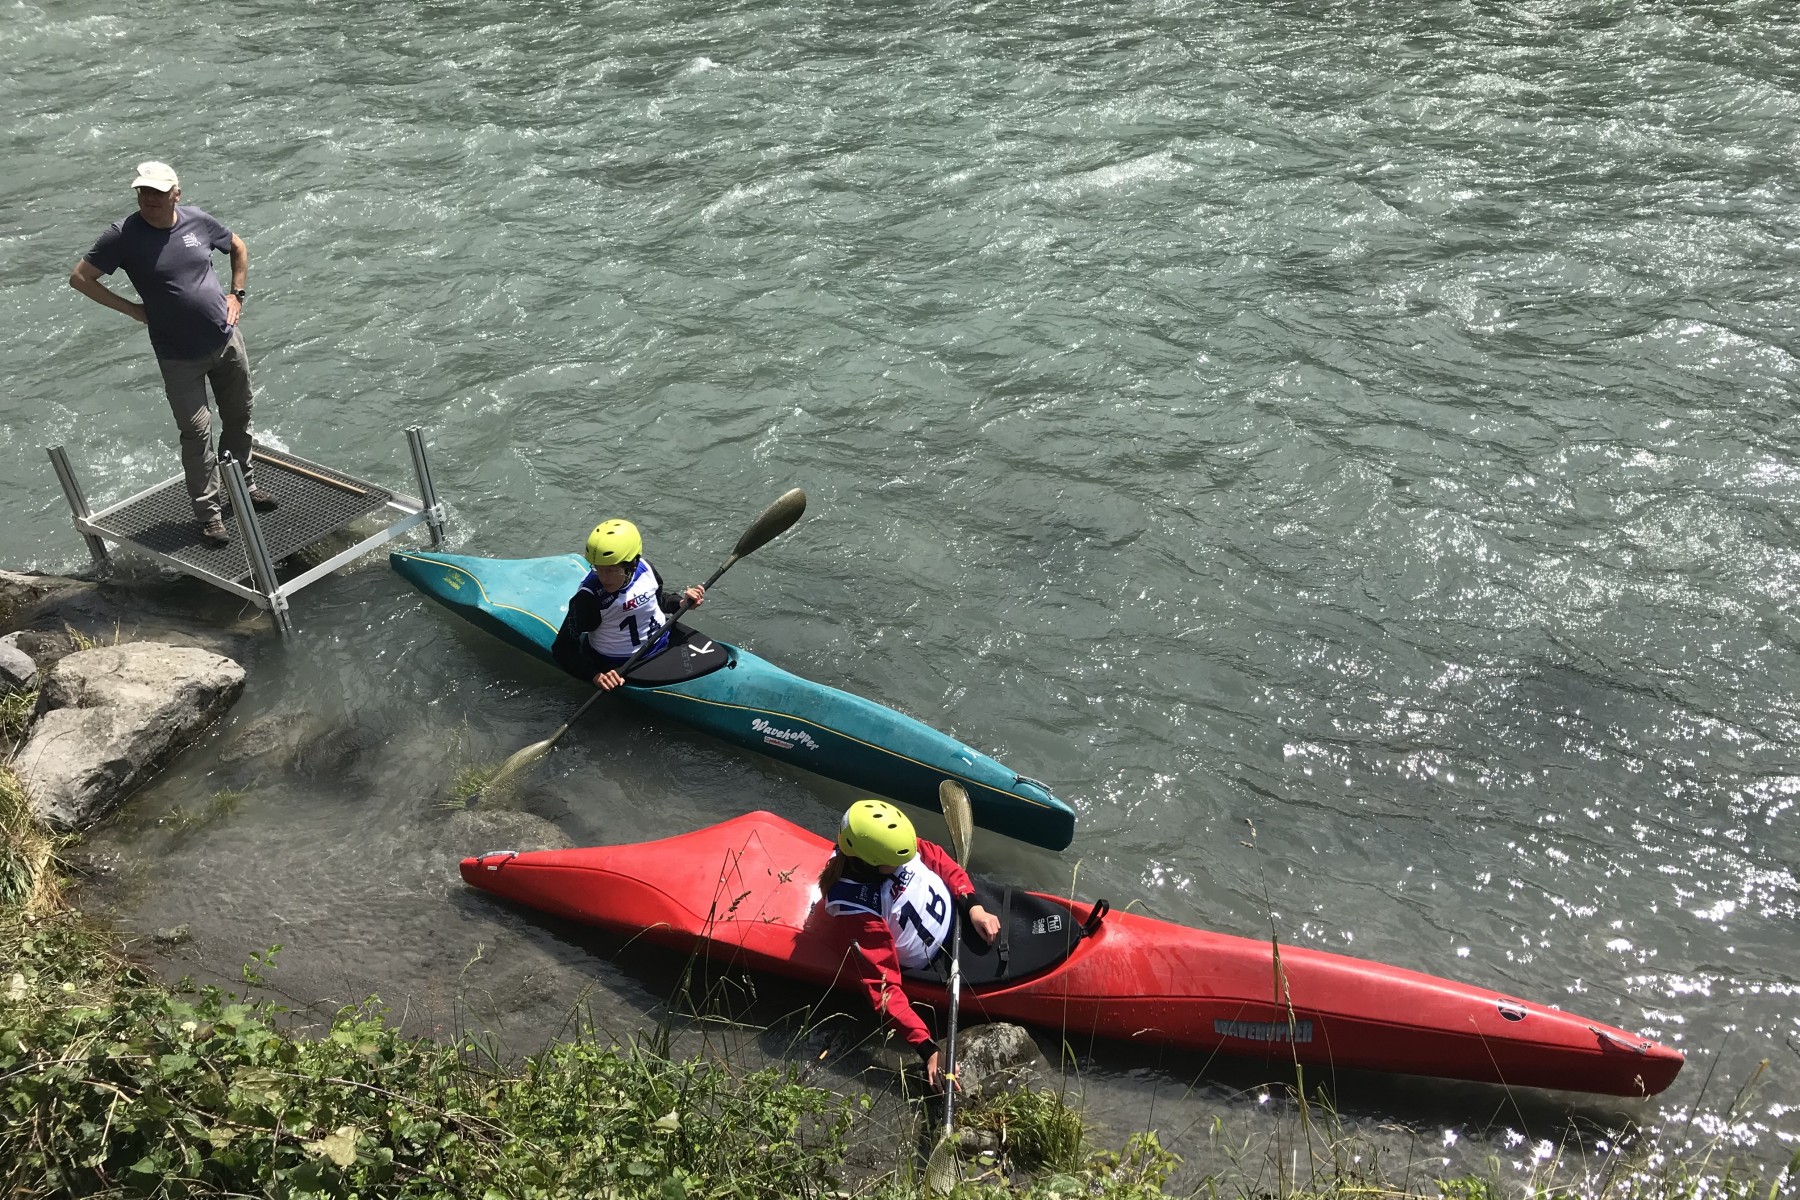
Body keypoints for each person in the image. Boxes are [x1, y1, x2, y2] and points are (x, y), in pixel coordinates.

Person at [69, 160, 276, 547]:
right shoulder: (122, 235)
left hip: (225, 339)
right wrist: (132, 309)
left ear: (175, 194)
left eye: (157, 192)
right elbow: (80, 278)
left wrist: (237, 294)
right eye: (142, 191)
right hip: (178, 355)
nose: (148, 198)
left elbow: (238, 246)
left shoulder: (197, 221)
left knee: (239, 416)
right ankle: (210, 516)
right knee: (197, 434)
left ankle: (244, 486)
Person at [821, 799, 1001, 1090]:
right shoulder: (858, 911)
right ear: (870, 864)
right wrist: (927, 1048)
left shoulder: (887, 847)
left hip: (962, 917)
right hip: (935, 964)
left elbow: (937, 857)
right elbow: (883, 988)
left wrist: (972, 905)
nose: (908, 857)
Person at [551, 519, 706, 690]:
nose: (604, 578)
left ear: (632, 563)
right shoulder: (588, 598)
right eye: (598, 569)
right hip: (620, 665)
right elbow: (562, 649)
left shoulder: (646, 570)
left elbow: (658, 600)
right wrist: (595, 675)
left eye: (611, 570)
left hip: (662, 640)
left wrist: (682, 603)